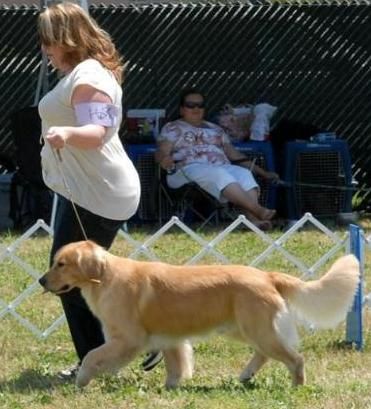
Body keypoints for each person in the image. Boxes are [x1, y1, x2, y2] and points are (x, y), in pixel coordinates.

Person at [37, 2, 161, 378]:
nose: (44, 49)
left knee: (67, 280)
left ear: (66, 39)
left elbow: (95, 133)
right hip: (93, 192)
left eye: (48, 41)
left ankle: (103, 360)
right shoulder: (82, 74)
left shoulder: (89, 77)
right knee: (89, 279)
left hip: (98, 193)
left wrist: (67, 133)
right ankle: (142, 340)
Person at [156, 88, 280, 229]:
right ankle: (258, 210)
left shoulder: (216, 129)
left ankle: (253, 221)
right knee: (219, 174)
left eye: (200, 105)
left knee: (243, 174)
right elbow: (161, 151)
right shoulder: (172, 127)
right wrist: (163, 159)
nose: (196, 108)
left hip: (219, 167)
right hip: (186, 169)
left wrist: (264, 173)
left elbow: (235, 155)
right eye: (190, 105)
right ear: (182, 109)